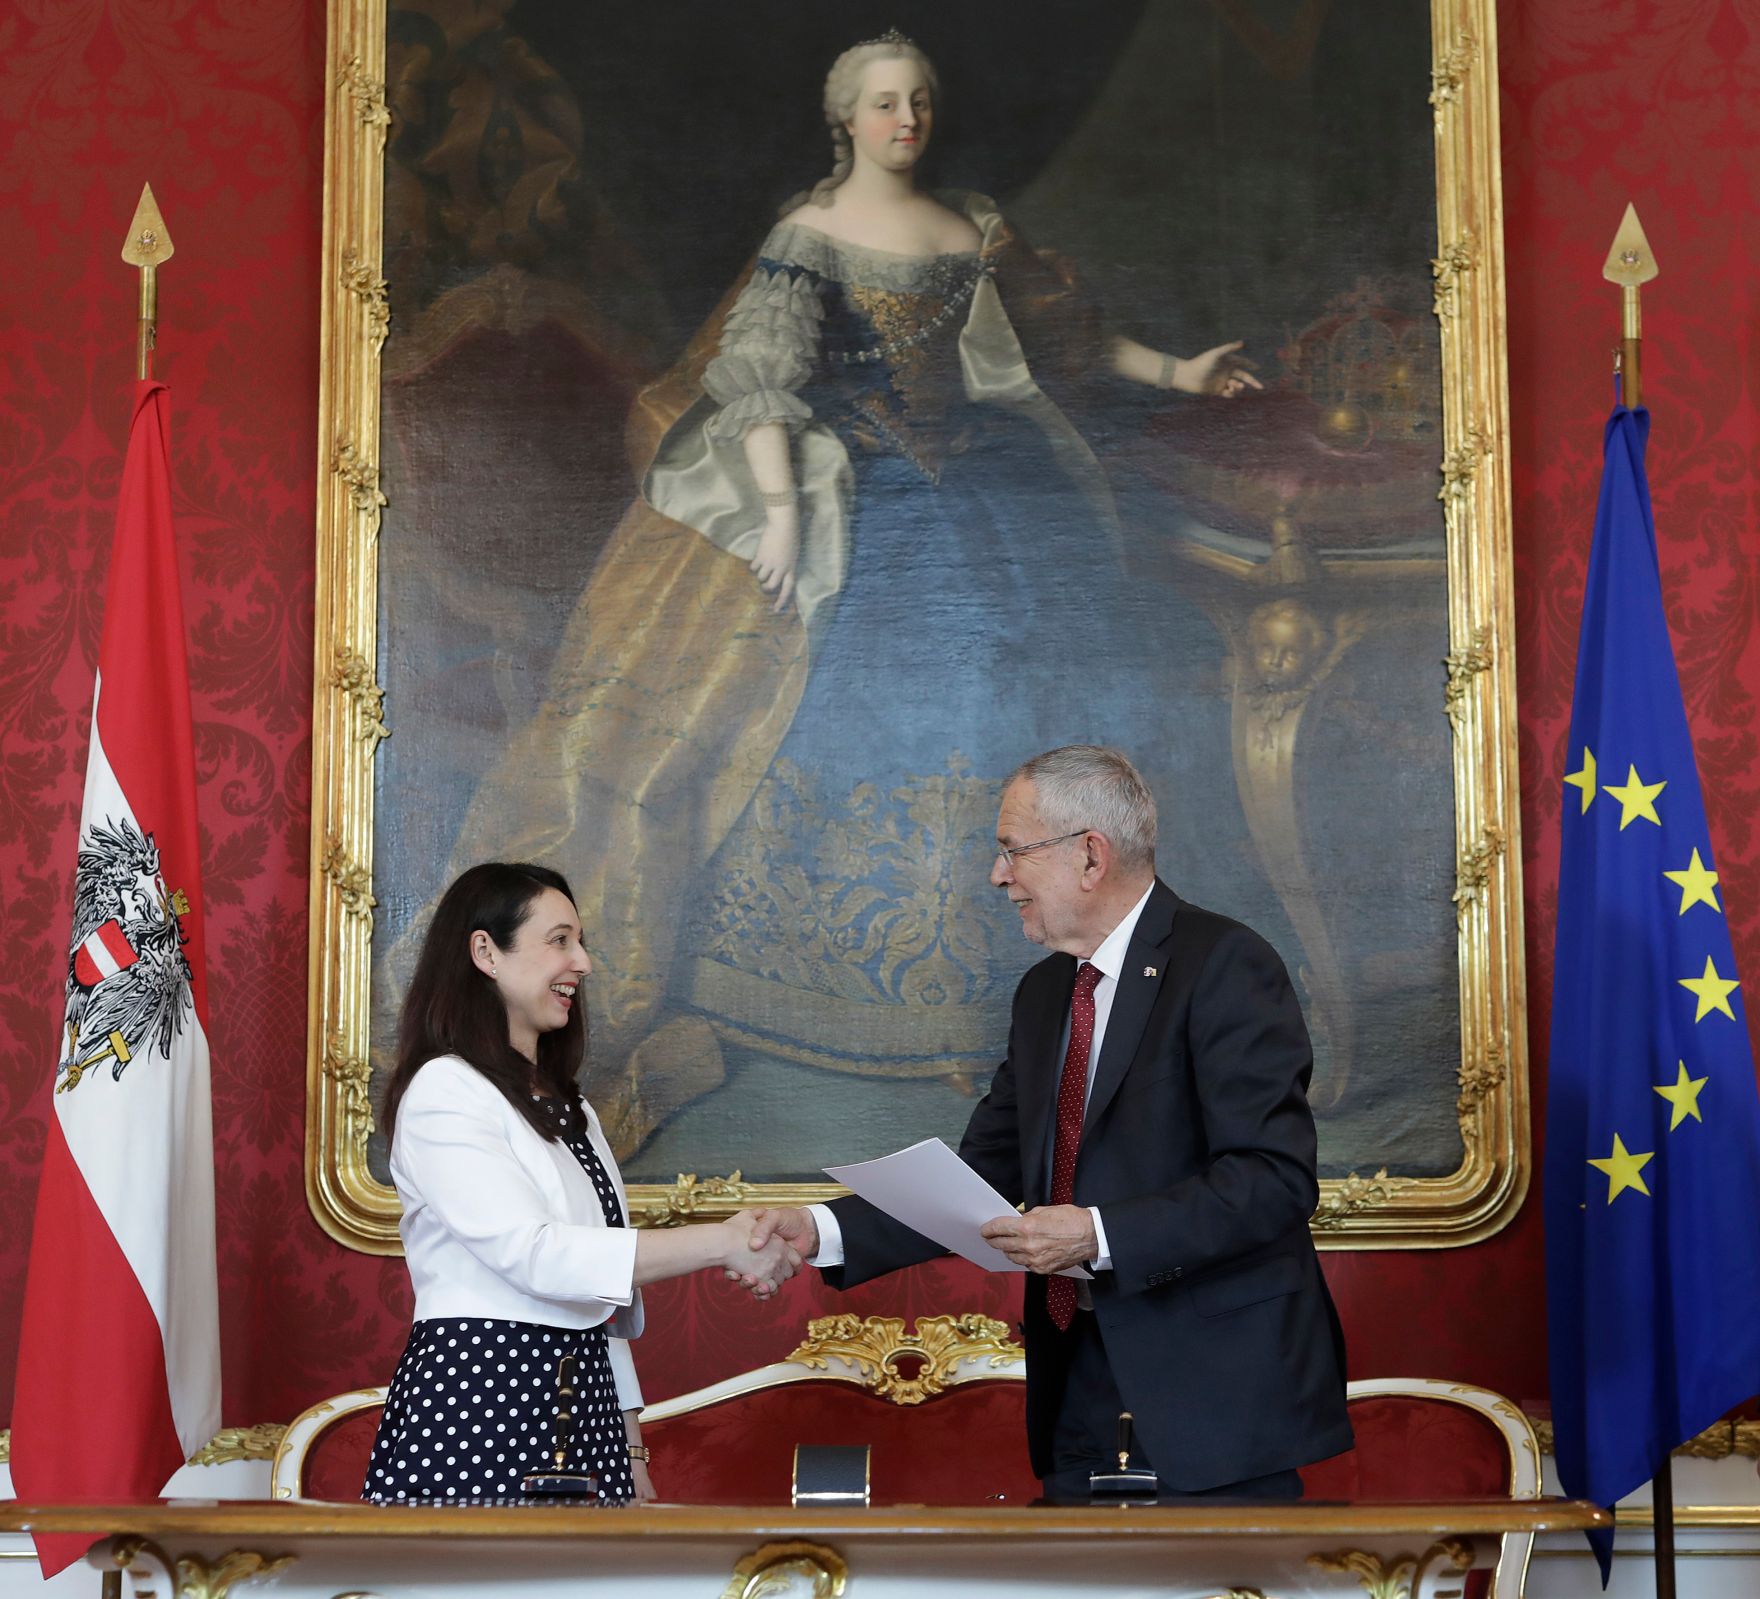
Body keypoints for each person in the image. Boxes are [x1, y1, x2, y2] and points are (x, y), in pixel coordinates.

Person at [416, 31, 1261, 1162]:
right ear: (843, 120)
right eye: (880, 103)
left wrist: (1179, 372)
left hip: (985, 481)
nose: (903, 118)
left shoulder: (971, 225)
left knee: (1043, 669)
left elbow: (1060, 341)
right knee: (894, 668)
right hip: (847, 484)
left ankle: (1018, 974)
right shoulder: (809, 237)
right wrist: (776, 514)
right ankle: (814, 982)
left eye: (916, 99)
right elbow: (757, 382)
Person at [747, 746, 1352, 1500]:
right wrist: (820, 1229)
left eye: (1011, 851)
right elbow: (977, 1177)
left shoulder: (1225, 964)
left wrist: (1097, 1234)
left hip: (1213, 1395)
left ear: (1090, 857)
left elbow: (1274, 1179)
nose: (999, 876)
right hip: (1077, 1381)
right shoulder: (1043, 995)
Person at [364, 862, 799, 1505]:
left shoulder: (571, 1107)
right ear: (485, 952)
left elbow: (598, 1297)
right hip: (481, 1404)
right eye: (559, 940)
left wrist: (631, 1451)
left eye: (581, 941)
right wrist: (722, 1241)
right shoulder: (445, 1091)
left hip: (585, 1408)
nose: (584, 963)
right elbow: (540, 1257)